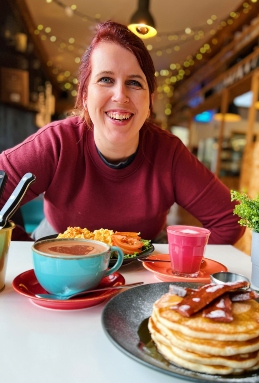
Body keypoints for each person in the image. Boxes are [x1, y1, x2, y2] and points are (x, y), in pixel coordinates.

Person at [0, 20, 244, 244]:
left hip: (142, 265)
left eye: (135, 83)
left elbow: (231, 221)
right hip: (59, 249)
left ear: (149, 103)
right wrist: (27, 251)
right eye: (106, 79)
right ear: (85, 96)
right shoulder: (56, 143)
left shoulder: (168, 153)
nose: (120, 96)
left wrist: (169, 261)